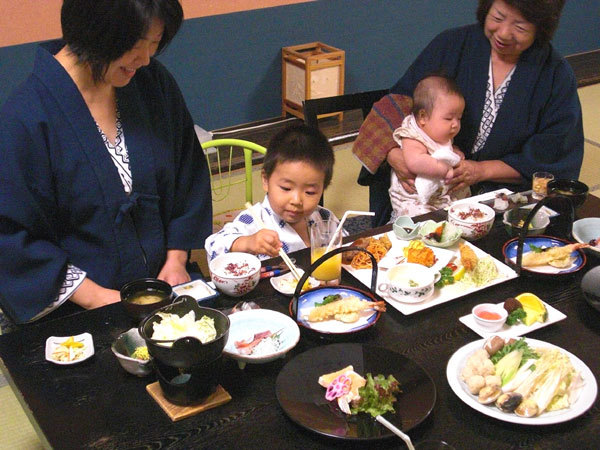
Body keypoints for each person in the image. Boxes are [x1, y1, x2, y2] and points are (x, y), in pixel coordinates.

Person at [0, 0, 212, 325]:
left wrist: (176, 258)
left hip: (162, 297)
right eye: (135, 46)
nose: (145, 59)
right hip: (77, 316)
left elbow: (188, 173)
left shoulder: (152, 84)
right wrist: (99, 298)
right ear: (94, 32)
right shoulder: (25, 118)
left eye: (154, 45)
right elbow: (10, 237)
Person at [353, 0, 583, 225]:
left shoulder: (555, 76)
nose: (503, 33)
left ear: (541, 28)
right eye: (498, 17)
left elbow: (555, 153)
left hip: (501, 199)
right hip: (426, 191)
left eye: (520, 27)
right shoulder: (453, 45)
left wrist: (481, 170)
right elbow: (397, 103)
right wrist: (395, 153)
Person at [205, 123, 340, 261]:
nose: (296, 200)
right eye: (286, 188)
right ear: (265, 180)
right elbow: (214, 245)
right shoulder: (254, 220)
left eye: (310, 192)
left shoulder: (324, 218)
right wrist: (248, 242)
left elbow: (343, 246)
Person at [389, 75, 469, 219]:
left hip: (440, 194)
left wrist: (453, 152)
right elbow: (415, 161)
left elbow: (441, 149)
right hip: (414, 198)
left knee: (465, 205)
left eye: (459, 118)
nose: (455, 124)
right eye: (449, 118)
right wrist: (443, 169)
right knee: (421, 220)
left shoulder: (440, 130)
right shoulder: (413, 135)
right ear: (423, 117)